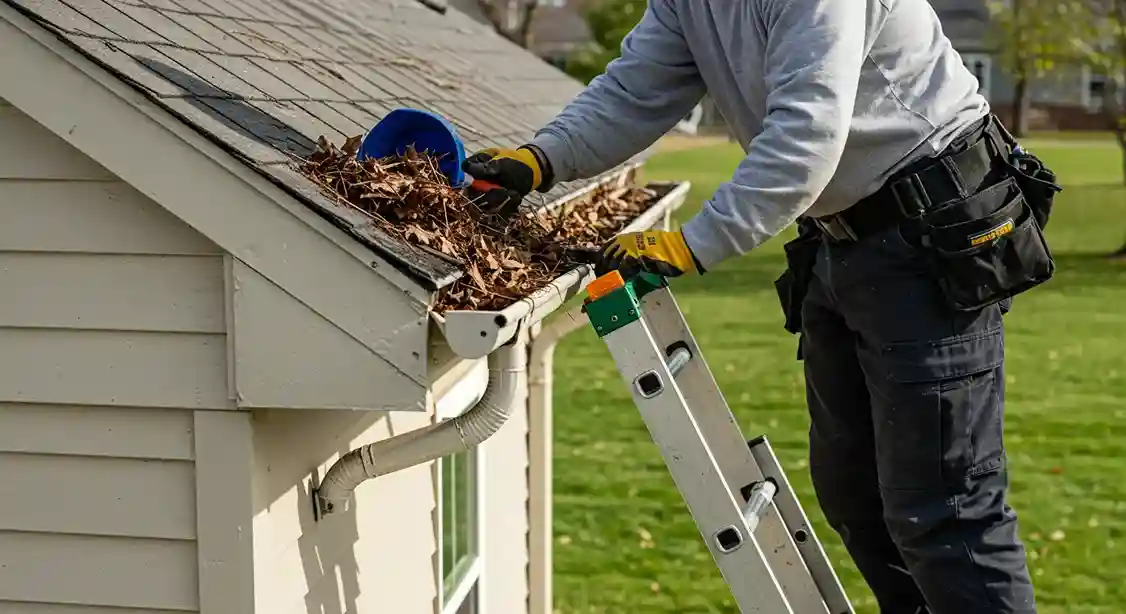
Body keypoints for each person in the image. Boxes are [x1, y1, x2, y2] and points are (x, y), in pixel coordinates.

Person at [462, 0, 1061, 612]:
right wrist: (544, 159)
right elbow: (637, 89)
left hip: (927, 227)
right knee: (854, 496)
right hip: (841, 236)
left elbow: (806, 135)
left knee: (944, 512)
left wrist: (692, 244)